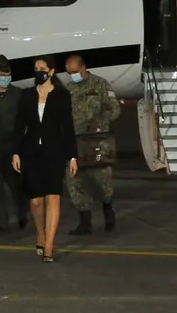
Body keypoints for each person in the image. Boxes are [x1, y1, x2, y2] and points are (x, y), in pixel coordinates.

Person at [12, 55, 78, 263]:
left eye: (42, 68)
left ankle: (49, 244)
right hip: (31, 152)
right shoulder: (27, 95)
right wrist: (15, 152)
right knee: (36, 201)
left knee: (54, 196)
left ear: (51, 71)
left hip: (54, 152)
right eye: (35, 68)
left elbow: (68, 128)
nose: (38, 71)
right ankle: (40, 233)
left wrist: (73, 156)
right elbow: (18, 126)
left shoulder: (61, 95)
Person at [63, 53, 121, 233]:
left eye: (74, 71)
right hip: (76, 141)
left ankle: (108, 211)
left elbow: (115, 109)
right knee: (75, 181)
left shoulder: (100, 85)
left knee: (102, 180)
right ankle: (85, 221)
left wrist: (100, 121)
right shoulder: (69, 88)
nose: (72, 75)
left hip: (97, 140)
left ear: (83, 68)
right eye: (68, 72)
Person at [0, 54, 28, 231]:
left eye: (8, 74)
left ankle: (22, 214)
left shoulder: (19, 94)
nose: (5, 78)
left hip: (14, 144)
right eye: (2, 75)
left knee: (17, 183)